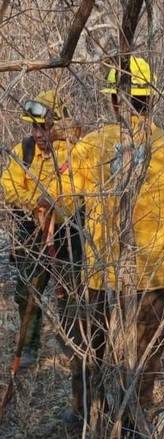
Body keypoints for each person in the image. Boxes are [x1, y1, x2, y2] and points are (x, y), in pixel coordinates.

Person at [51, 56, 164, 434]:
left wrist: (60, 154)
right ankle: (135, 425)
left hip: (101, 275)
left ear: (113, 100)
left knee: (90, 347)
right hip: (155, 277)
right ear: (149, 98)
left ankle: (84, 413)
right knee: (146, 355)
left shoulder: (90, 146)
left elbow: (62, 201)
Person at [1, 89, 83, 369]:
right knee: (27, 290)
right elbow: (9, 186)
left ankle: (74, 346)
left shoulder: (73, 152)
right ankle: (28, 348)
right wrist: (36, 202)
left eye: (44, 127)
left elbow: (76, 193)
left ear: (58, 126)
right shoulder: (23, 150)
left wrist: (55, 204)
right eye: (34, 127)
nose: (38, 134)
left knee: (70, 293)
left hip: (67, 233)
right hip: (33, 232)